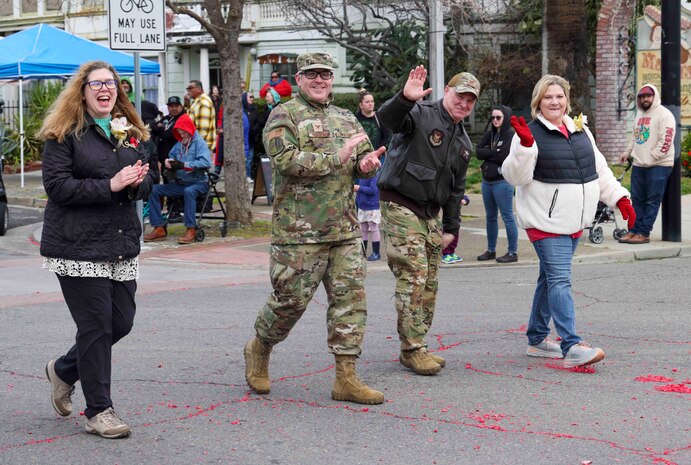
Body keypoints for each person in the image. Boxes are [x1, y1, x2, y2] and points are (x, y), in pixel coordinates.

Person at [243, 52, 386, 405]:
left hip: (345, 230)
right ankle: (259, 347)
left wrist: (367, 165)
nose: (320, 80)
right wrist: (335, 159)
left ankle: (346, 377)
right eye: (312, 75)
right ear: (300, 79)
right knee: (289, 302)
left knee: (350, 303)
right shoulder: (284, 114)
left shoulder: (346, 118)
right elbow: (284, 160)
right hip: (299, 234)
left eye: (325, 74)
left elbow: (363, 161)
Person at [38, 60, 153, 439]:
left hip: (119, 243)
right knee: (96, 326)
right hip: (76, 245)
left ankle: (64, 370)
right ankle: (99, 410)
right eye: (96, 84)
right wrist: (111, 185)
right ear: (82, 91)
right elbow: (58, 188)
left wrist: (138, 182)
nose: (106, 89)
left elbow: (145, 185)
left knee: (120, 322)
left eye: (112, 83)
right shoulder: (63, 133)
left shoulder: (131, 132)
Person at [501, 74, 636, 368]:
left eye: (559, 96)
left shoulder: (580, 129)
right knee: (561, 281)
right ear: (539, 101)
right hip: (545, 223)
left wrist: (619, 198)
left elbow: (599, 170)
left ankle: (537, 338)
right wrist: (524, 146)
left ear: (567, 100)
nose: (555, 102)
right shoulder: (529, 132)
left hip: (575, 222)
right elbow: (514, 176)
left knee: (550, 279)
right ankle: (572, 345)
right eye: (548, 97)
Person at [377, 66, 479, 375]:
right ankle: (411, 349)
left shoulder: (463, 142)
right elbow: (389, 120)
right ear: (447, 92)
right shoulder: (420, 114)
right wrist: (404, 99)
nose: (464, 104)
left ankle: (418, 343)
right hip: (400, 203)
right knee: (414, 274)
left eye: (470, 101)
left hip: (430, 213)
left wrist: (451, 229)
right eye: (460, 96)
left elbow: (456, 190)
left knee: (430, 280)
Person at [617, 84, 676, 244]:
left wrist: (652, 156)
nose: (645, 99)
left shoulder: (664, 114)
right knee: (636, 200)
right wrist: (627, 153)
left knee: (651, 201)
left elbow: (667, 139)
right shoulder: (639, 115)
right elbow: (635, 138)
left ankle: (643, 233)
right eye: (642, 96)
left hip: (659, 166)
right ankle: (634, 230)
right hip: (639, 165)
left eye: (648, 96)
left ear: (654, 96)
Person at [143, 113, 212, 245]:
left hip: (199, 183)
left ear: (189, 129)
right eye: (179, 132)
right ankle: (159, 227)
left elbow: (206, 162)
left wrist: (184, 165)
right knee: (154, 189)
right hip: (181, 183)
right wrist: (168, 162)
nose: (181, 134)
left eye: (183, 131)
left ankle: (191, 228)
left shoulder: (199, 143)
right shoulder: (180, 143)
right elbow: (171, 156)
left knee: (189, 192)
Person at [475, 105, 519, 263]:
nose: (495, 120)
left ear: (505, 118)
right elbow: (478, 152)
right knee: (490, 217)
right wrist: (492, 152)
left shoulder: (510, 135)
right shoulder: (490, 134)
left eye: (498, 117)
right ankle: (491, 250)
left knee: (507, 216)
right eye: (492, 117)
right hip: (487, 181)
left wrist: (489, 153)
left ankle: (513, 252)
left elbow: (504, 156)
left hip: (502, 182)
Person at [354, 90, 392, 161]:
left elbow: (387, 136)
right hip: (360, 157)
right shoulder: (355, 119)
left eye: (372, 101)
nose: (370, 104)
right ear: (361, 105)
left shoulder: (380, 117)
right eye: (367, 102)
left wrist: (377, 150)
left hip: (379, 156)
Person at [355, 171, 382, 261]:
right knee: (363, 229)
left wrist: (359, 188)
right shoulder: (362, 175)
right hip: (362, 206)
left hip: (372, 206)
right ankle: (363, 252)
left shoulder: (375, 175)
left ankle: (376, 253)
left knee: (374, 228)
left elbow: (373, 190)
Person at [185, 80, 216, 151]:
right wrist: (187, 104)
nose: (188, 91)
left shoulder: (203, 103)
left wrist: (194, 146)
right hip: (198, 145)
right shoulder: (197, 101)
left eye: (190, 88)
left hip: (201, 146)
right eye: (187, 89)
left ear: (199, 89)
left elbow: (203, 130)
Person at [440, 194, 470, 265]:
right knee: (447, 236)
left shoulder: (458, 192)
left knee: (455, 237)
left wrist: (465, 201)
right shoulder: (446, 192)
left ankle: (452, 252)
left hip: (456, 219)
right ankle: (445, 253)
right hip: (447, 220)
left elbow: (465, 198)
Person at [253, 88, 282, 156]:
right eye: (266, 97)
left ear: (274, 97)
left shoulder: (279, 109)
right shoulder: (266, 109)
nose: (266, 98)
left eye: (268, 97)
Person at [242, 92, 259, 182]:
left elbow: (257, 121)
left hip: (251, 138)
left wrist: (253, 130)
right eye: (250, 97)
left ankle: (248, 175)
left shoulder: (254, 109)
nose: (252, 98)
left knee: (249, 158)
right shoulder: (242, 110)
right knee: (243, 158)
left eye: (253, 96)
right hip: (244, 137)